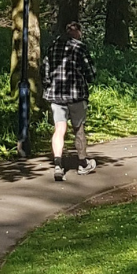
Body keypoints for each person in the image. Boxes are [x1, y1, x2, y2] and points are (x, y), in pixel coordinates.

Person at [41, 21, 96, 181]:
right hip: (76, 95)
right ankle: (83, 163)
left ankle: (58, 164)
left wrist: (49, 84)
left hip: (56, 95)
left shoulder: (53, 47)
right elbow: (91, 73)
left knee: (59, 129)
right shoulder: (80, 47)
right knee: (78, 129)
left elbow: (44, 69)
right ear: (77, 32)